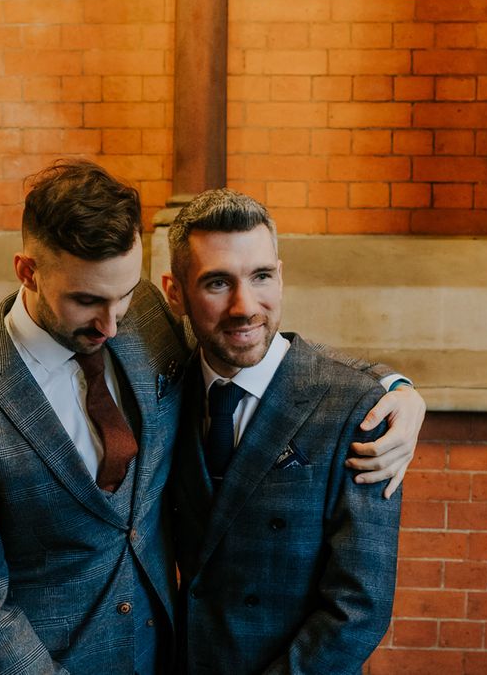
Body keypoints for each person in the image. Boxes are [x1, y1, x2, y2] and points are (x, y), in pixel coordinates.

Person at [0, 160, 422, 675]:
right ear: (28, 272)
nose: (110, 323)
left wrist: (395, 388)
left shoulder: (147, 317)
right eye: (87, 301)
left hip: (168, 654)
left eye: (123, 294)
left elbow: (241, 342)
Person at [163, 188, 406, 674]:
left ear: (281, 275)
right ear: (176, 293)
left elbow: (359, 607)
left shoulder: (357, 406)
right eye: (216, 283)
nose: (245, 306)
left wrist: (402, 389)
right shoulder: (166, 387)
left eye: (261, 277)